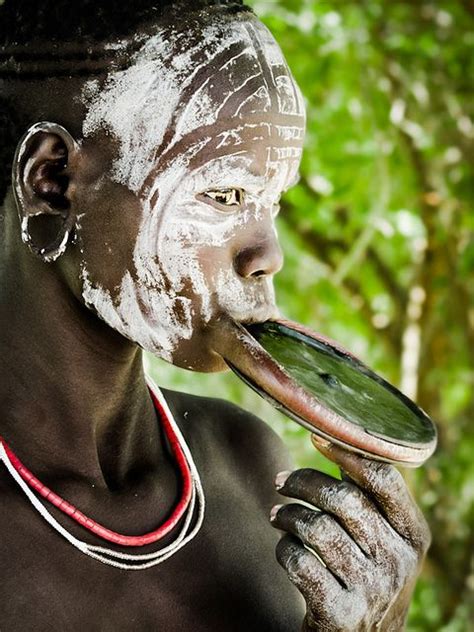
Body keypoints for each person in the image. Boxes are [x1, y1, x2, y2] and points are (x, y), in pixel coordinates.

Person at [0, 0, 431, 629]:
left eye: (273, 200)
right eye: (225, 194)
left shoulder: (252, 467)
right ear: (54, 181)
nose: (269, 255)